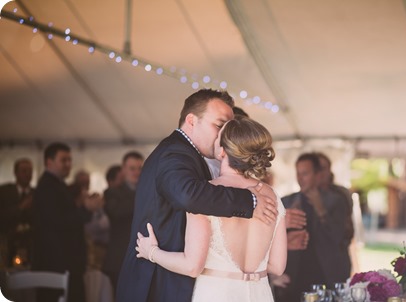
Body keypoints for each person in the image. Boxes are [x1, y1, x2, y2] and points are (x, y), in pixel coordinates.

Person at [116, 89, 277, 302]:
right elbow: (188, 195)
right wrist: (250, 201)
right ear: (191, 120)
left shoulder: (189, 154)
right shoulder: (174, 153)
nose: (223, 136)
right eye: (219, 126)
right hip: (157, 283)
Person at [31, 142, 102, 302]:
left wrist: (85, 207)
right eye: (64, 160)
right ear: (49, 162)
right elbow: (58, 222)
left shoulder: (58, 185)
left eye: (70, 160)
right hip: (56, 263)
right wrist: (86, 209)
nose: (68, 164)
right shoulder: (47, 187)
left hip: (65, 262)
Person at [276, 153, 348, 302]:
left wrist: (321, 209)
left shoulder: (336, 201)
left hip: (326, 272)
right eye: (298, 173)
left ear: (317, 175)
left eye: (305, 173)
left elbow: (338, 237)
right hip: (295, 272)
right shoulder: (287, 201)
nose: (300, 178)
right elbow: (275, 238)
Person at [103, 151, 144, 291]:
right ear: (123, 169)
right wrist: (144, 195)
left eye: (140, 168)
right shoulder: (112, 192)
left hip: (142, 258)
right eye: (132, 168)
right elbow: (117, 212)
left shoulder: (147, 191)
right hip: (120, 258)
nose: (136, 172)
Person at [0, 158, 34, 267]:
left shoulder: (37, 193)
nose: (27, 174)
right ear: (15, 173)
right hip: (7, 243)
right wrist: (20, 207)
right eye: (24, 171)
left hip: (31, 245)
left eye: (30, 171)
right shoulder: (4, 192)